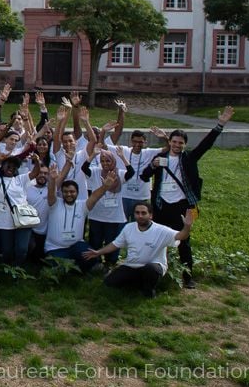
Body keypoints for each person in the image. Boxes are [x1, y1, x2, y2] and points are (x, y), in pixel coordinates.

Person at [139, 106, 233, 288]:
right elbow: (144, 176)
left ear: (184, 144)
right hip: (161, 205)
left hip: (182, 205)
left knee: (184, 241)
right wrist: (152, 165)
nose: (177, 145)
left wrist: (220, 124)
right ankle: (157, 273)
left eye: (180, 143)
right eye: (174, 142)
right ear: (170, 142)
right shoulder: (160, 157)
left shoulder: (189, 158)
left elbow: (206, 144)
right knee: (158, 240)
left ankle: (187, 276)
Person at [84, 201, 194, 298]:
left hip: (153, 267)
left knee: (150, 269)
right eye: (137, 213)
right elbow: (115, 244)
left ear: (150, 215)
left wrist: (187, 226)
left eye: (143, 213)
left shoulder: (161, 230)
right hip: (132, 265)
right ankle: (137, 284)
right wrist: (98, 252)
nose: (140, 216)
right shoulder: (128, 228)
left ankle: (149, 291)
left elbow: (181, 236)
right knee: (109, 283)